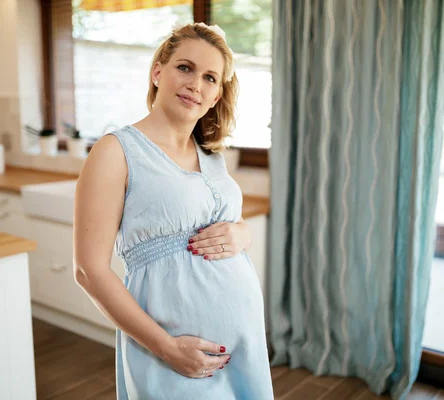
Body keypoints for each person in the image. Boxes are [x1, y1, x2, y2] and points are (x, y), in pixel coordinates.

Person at [73, 22, 274, 399]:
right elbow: (88, 271)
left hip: (242, 348)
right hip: (172, 353)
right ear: (157, 72)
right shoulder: (115, 151)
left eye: (210, 77)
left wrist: (241, 233)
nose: (196, 84)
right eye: (185, 67)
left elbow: (224, 224)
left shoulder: (213, 156)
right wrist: (167, 347)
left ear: (216, 96)